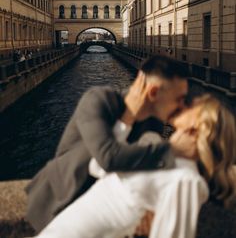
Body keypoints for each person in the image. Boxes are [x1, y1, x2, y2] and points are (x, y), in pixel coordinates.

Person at [26, 55, 195, 232]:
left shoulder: (157, 124)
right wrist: (172, 148)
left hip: (105, 212)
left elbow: (153, 169)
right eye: (179, 99)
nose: (182, 106)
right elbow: (107, 158)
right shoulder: (98, 100)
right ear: (153, 93)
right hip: (60, 202)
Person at [34, 94, 236, 238]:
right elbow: (98, 165)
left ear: (200, 127)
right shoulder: (159, 152)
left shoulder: (186, 179)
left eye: (191, 106)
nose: (183, 104)